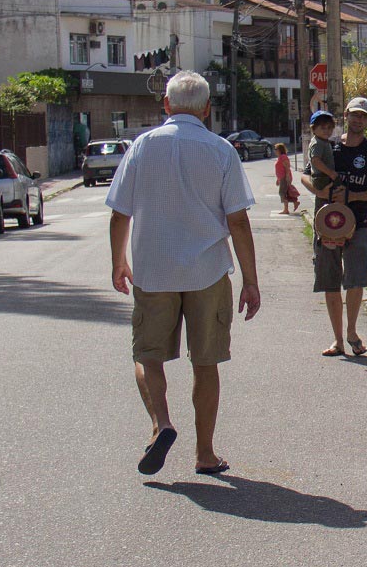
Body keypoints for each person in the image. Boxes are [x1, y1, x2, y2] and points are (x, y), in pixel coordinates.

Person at [107, 71, 261, 477]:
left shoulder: (141, 147)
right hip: (207, 272)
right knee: (205, 364)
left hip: (154, 271)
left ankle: (161, 423)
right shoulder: (220, 150)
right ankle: (205, 454)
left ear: (166, 106)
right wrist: (251, 280)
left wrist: (118, 261)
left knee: (147, 355)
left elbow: (119, 212)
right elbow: (239, 222)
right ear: (207, 109)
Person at [313, 95, 367, 358]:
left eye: (363, 116)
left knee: (355, 280)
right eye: (354, 114)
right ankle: (337, 341)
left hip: (358, 225)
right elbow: (306, 176)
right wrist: (324, 194)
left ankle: (352, 332)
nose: (357, 119)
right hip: (327, 225)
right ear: (346, 115)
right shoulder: (328, 146)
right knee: (330, 282)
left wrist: (353, 197)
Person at [305, 110, 338, 198]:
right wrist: (330, 173)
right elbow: (316, 161)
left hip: (325, 176)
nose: (326, 130)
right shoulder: (318, 143)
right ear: (314, 129)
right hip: (322, 178)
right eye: (323, 128)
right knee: (324, 200)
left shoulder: (324, 141)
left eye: (329, 127)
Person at [273, 141, 301, 214]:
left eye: (276, 149)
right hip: (282, 178)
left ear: (280, 150)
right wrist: (278, 179)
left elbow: (287, 168)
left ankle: (286, 209)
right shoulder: (280, 157)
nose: (275, 151)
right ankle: (294, 203)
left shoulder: (283, 157)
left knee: (282, 193)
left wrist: (287, 177)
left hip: (285, 178)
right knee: (286, 192)